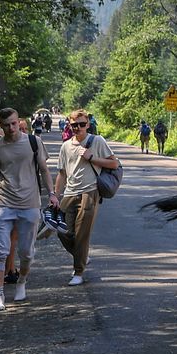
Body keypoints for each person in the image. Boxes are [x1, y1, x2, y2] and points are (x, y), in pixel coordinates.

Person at [0, 108, 49, 308]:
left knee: (26, 252)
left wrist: (53, 194)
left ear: (18, 121)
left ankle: (21, 281)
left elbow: (44, 170)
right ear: (0, 127)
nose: (11, 128)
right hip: (4, 203)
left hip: (29, 203)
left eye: (13, 123)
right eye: (6, 125)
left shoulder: (33, 142)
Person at [56, 110, 117, 286]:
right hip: (69, 192)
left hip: (90, 193)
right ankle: (82, 255)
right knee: (61, 230)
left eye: (82, 124)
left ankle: (78, 271)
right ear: (70, 125)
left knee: (82, 234)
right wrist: (55, 195)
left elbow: (114, 163)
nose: (78, 128)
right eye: (75, 125)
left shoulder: (97, 141)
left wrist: (93, 158)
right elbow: (61, 173)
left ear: (88, 124)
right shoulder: (66, 146)